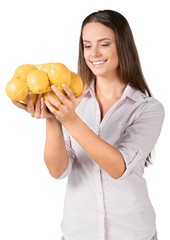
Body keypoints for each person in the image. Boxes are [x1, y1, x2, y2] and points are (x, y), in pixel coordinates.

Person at [13, 9, 164, 240]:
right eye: (87, 45)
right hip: (79, 232)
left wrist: (70, 119)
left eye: (104, 44)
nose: (94, 53)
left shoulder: (148, 108)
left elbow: (119, 167)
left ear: (122, 46)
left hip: (133, 233)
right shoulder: (73, 100)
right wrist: (53, 118)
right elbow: (58, 170)